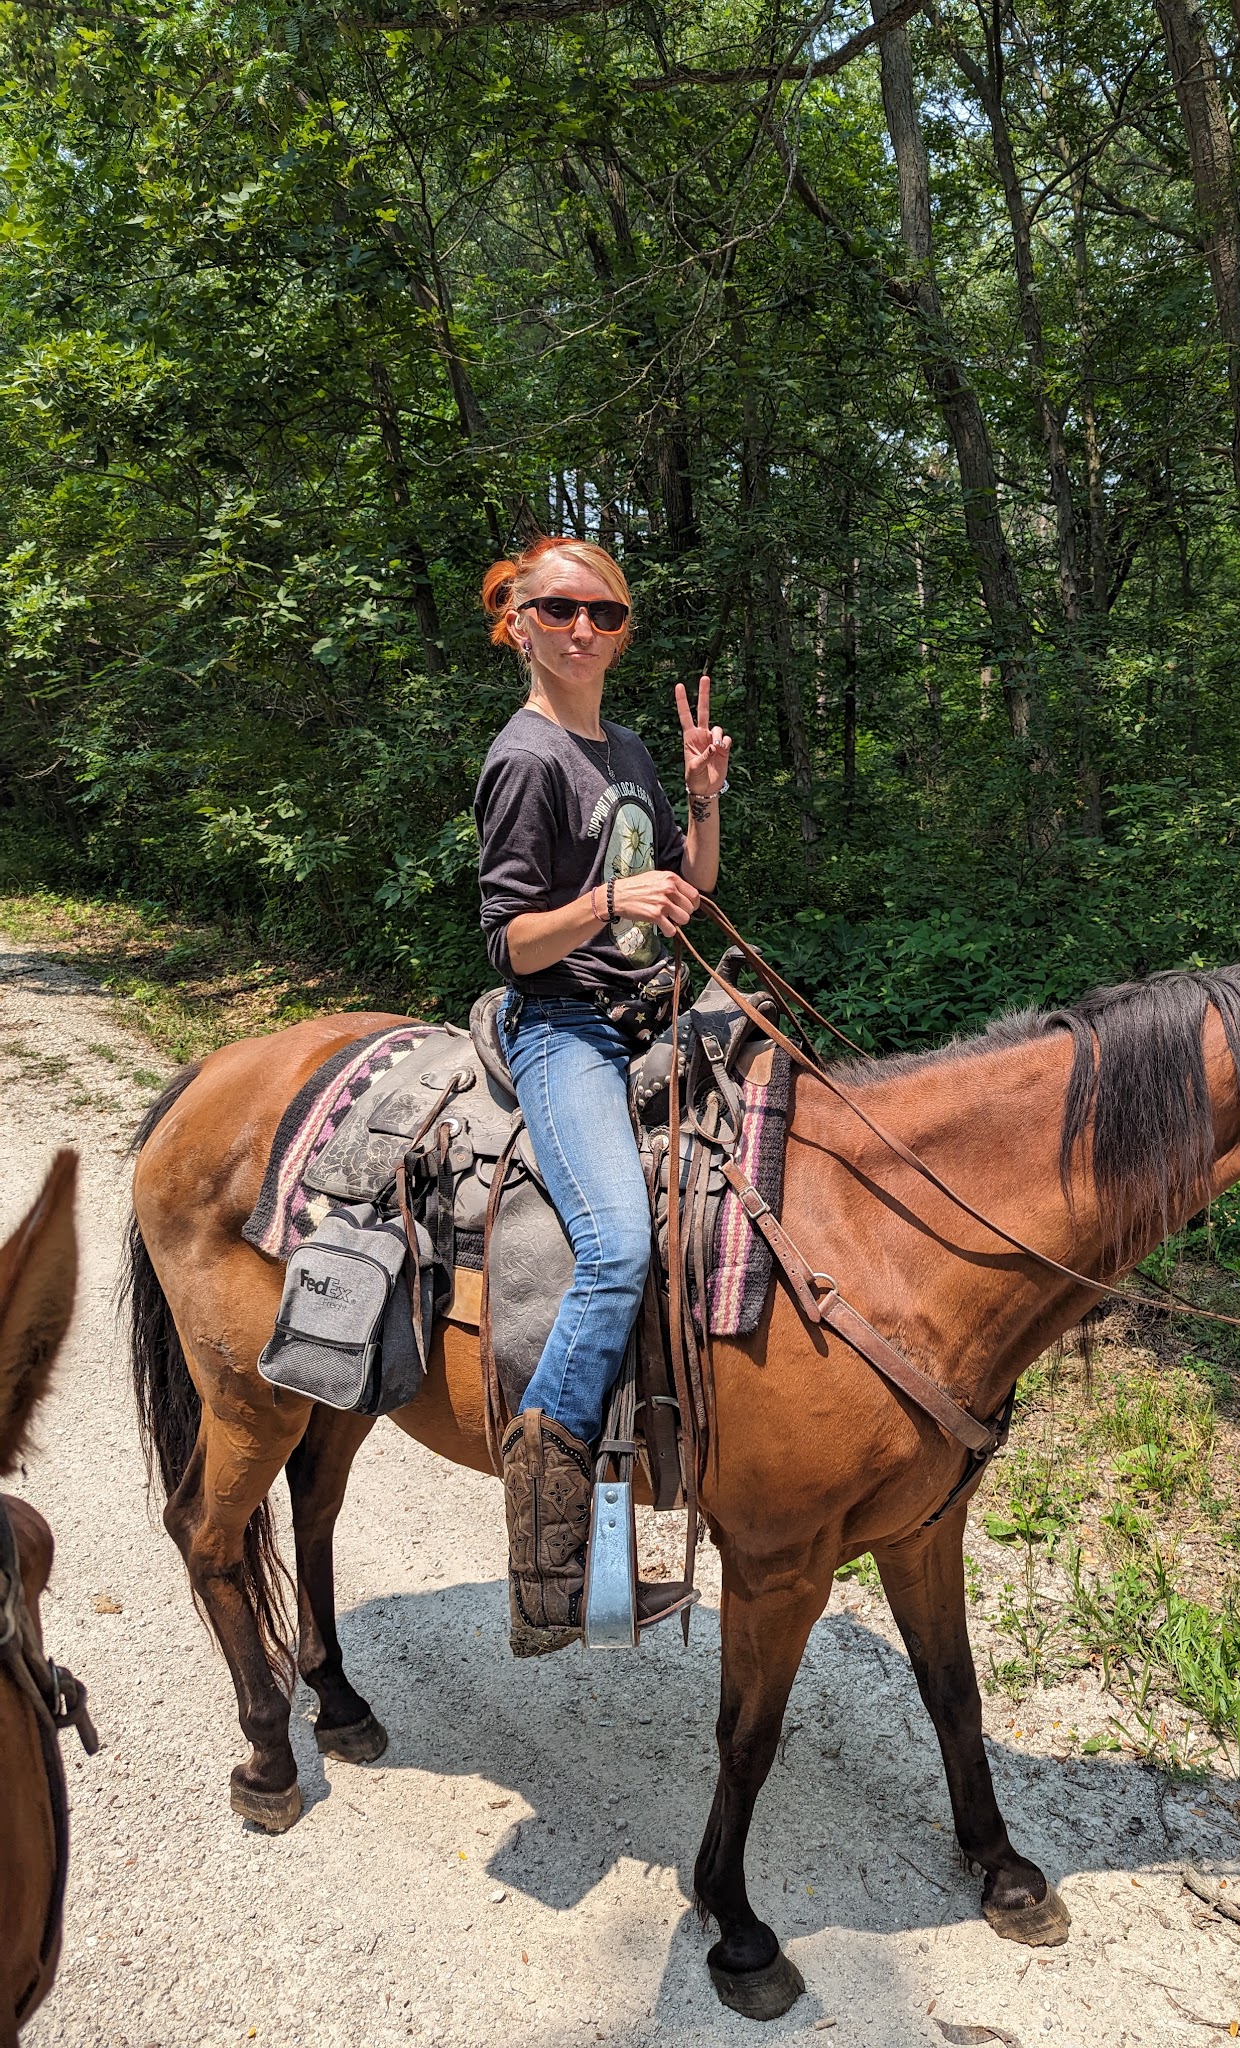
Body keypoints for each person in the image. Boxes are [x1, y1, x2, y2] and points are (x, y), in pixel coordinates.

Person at [475, 534, 731, 1653]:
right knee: (619, 1244)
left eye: (607, 614)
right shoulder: (526, 757)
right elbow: (512, 942)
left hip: (654, 1011)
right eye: (562, 609)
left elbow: (692, 886)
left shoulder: (624, 744)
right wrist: (602, 900)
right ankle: (549, 1522)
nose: (585, 628)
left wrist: (702, 798)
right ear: (518, 622)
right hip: (565, 1025)